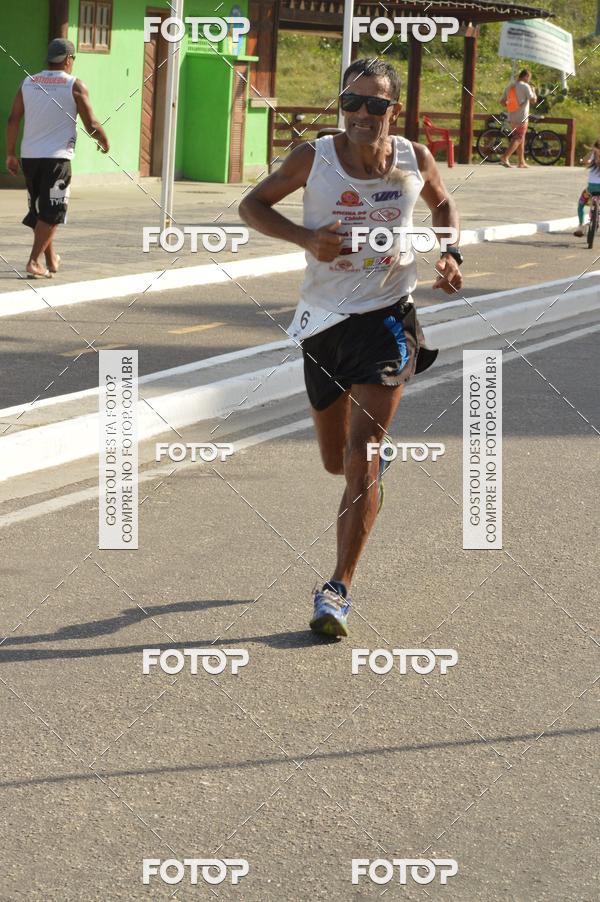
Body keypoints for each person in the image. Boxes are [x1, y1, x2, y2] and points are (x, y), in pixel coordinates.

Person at [239, 58, 462, 638]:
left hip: (389, 319)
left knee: (361, 459)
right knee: (336, 460)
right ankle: (369, 465)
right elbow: (252, 206)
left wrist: (450, 250)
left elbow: (441, 203)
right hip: (323, 322)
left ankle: (337, 588)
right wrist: (307, 238)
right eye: (352, 103)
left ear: (394, 110)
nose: (362, 115)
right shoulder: (314, 158)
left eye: (375, 104)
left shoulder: (414, 158)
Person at [5, 38, 109, 279]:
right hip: (57, 160)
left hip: (29, 157)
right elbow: (91, 123)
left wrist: (10, 153)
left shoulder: (28, 83)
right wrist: (103, 140)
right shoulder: (74, 85)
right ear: (68, 60)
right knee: (53, 212)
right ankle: (33, 261)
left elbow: (13, 119)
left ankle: (51, 258)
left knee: (42, 209)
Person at [498, 69, 537, 169]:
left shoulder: (510, 86)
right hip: (522, 117)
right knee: (518, 137)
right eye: (529, 78)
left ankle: (521, 162)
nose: (529, 80)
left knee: (521, 138)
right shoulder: (525, 86)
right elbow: (533, 100)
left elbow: (502, 102)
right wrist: (533, 91)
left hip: (512, 116)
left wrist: (512, 104)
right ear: (526, 76)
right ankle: (505, 157)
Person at [573, 140, 600, 237]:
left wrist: (591, 152)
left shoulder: (592, 155)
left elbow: (583, 161)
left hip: (591, 189)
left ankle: (581, 225)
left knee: (581, 204)